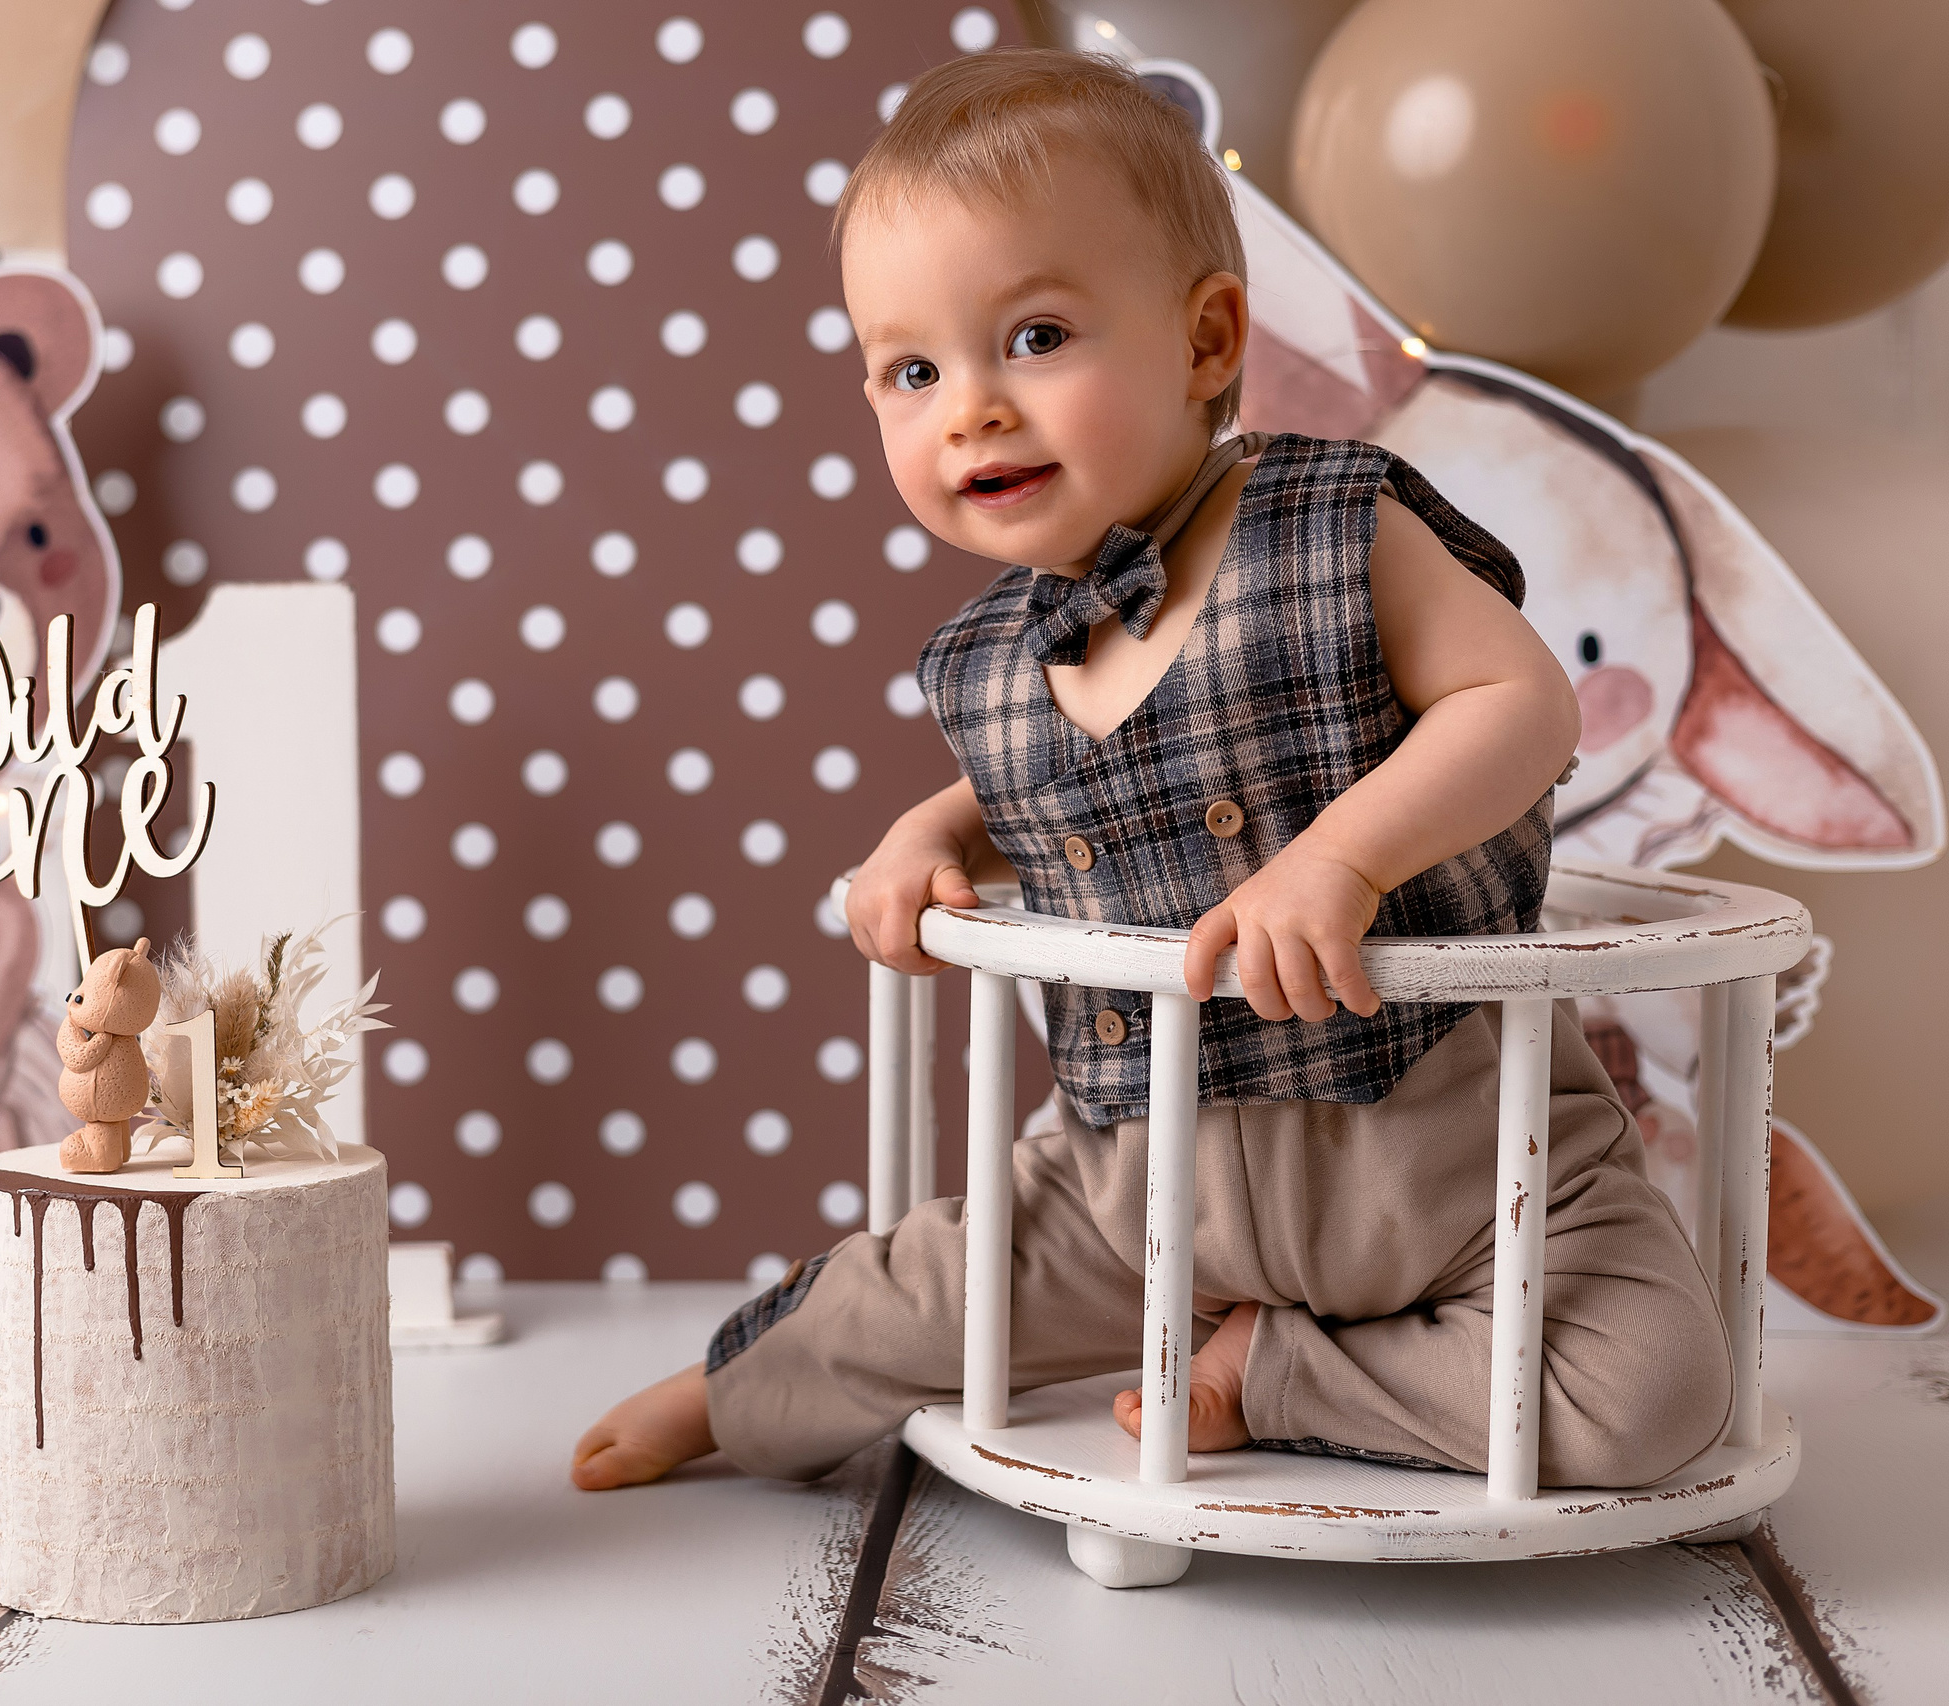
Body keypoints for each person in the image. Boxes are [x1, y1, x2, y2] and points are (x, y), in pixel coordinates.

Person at [572, 48, 1731, 1493]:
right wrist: (920, 836)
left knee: (1659, 1390)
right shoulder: (992, 655)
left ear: (1204, 339)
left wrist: (1339, 858)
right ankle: (723, 1393)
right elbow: (1033, 808)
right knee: (912, 1293)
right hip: (1134, 1181)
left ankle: (1277, 1370)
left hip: (1450, 1151)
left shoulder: (1329, 526)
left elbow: (1521, 706)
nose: (970, 409)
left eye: (1037, 336)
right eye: (912, 369)